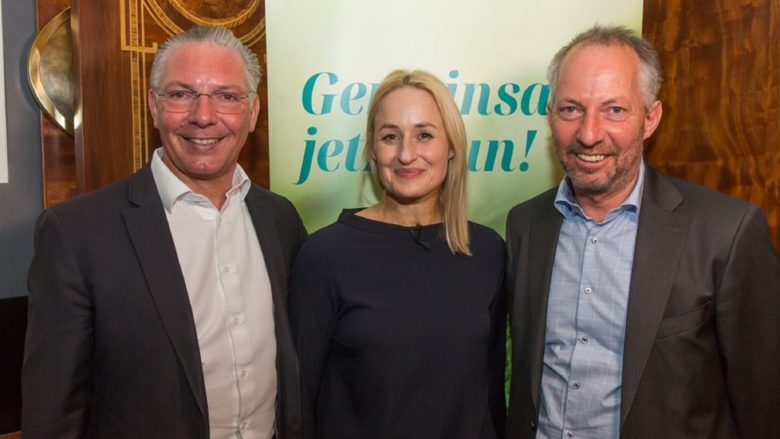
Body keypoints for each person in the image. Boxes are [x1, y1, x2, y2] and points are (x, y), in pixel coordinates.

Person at [22, 25, 306, 439]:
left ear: (253, 112)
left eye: (227, 96)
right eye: (181, 94)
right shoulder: (77, 234)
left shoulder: (281, 220)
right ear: (154, 107)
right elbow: (55, 413)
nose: (203, 116)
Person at [505, 25, 780, 438]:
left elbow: (763, 404)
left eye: (614, 109)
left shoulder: (727, 232)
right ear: (550, 115)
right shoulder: (525, 224)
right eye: (571, 109)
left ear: (650, 118)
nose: (589, 133)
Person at [288, 69, 506, 439]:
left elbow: (492, 390)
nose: (406, 154)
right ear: (373, 149)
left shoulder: (487, 251)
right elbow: (299, 400)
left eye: (424, 135)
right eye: (391, 136)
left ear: (451, 146)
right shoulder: (326, 255)